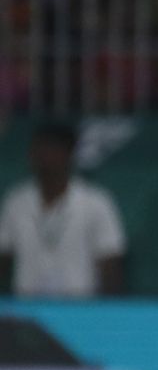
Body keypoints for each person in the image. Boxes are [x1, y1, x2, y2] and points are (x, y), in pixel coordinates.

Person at [0, 122, 126, 297]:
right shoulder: (15, 201)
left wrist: (106, 314)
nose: (42, 156)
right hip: (26, 305)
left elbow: (110, 263)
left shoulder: (96, 202)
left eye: (51, 149)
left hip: (80, 307)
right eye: (38, 149)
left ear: (69, 154)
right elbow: (3, 257)